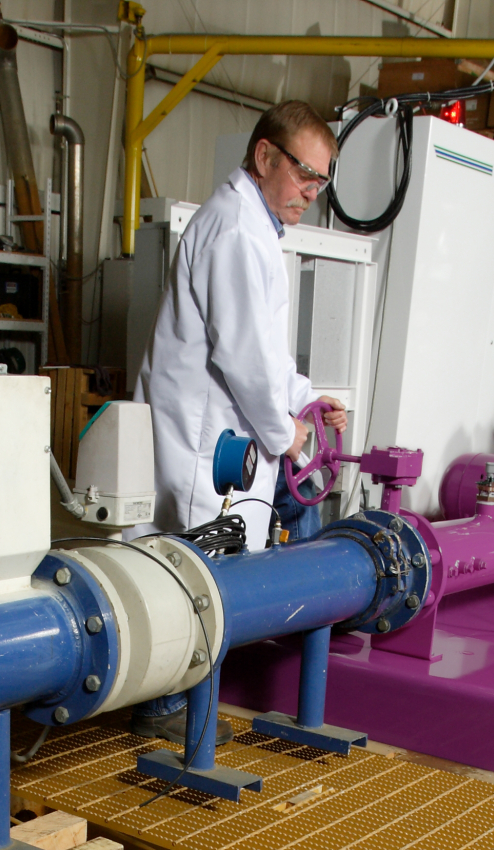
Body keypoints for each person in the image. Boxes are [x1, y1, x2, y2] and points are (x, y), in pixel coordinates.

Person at [135, 101, 350, 553]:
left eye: (321, 181)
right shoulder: (236, 229)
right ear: (265, 157)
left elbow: (267, 352)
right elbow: (244, 359)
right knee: (201, 575)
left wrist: (305, 401)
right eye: (304, 174)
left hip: (228, 446)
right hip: (205, 449)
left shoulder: (255, 227)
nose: (312, 192)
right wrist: (286, 433)